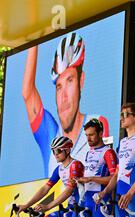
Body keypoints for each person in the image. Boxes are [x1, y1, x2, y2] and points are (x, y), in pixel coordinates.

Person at [22, 32, 109, 176]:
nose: (64, 96)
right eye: (59, 86)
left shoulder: (97, 122)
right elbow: (27, 93)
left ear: (81, 81)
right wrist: (34, 37)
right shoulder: (50, 133)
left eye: (69, 81)